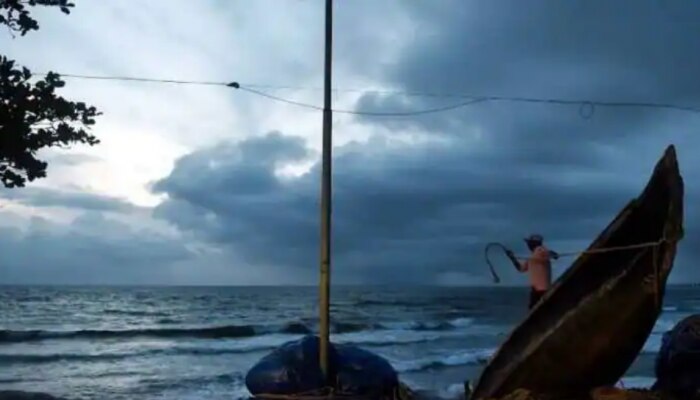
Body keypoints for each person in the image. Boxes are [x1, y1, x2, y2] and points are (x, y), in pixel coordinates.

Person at [505, 234, 559, 309]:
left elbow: (550, 253)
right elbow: (521, 268)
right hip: (536, 290)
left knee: (534, 312)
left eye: (529, 243)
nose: (528, 245)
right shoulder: (532, 257)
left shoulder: (540, 250)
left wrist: (553, 254)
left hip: (541, 290)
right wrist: (512, 258)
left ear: (533, 243)